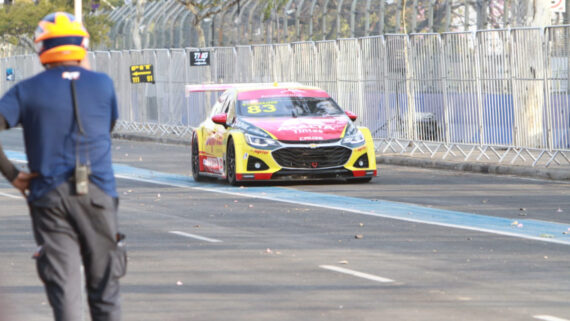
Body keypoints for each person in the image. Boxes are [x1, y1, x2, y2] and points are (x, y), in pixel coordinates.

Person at [0, 12, 126, 321]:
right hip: (98, 196)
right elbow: (107, 126)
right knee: (105, 292)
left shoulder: (26, 90)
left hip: (49, 197)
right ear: (82, 45)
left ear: (42, 48)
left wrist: (13, 175)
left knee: (66, 292)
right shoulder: (103, 85)